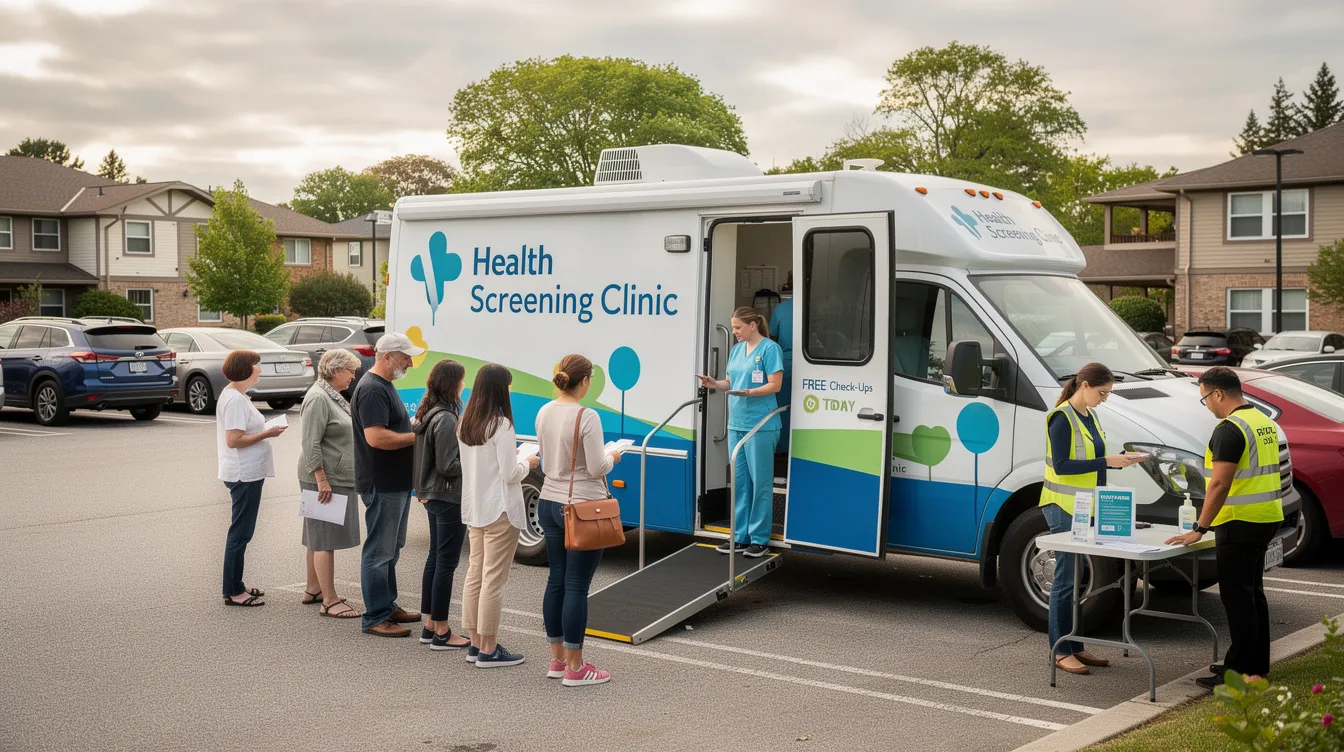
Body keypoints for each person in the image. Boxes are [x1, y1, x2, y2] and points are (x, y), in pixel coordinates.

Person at [1166, 366, 1284, 689]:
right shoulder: (1263, 422)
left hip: (1239, 523)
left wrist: (1199, 528)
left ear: (1218, 393)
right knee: (1253, 595)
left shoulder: (1229, 429)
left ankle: (1240, 672)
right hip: (1266, 518)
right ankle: (1256, 665)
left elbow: (1219, 484)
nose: (1206, 405)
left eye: (1204, 398)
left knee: (1237, 598)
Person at [1040, 362, 1142, 676]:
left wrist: (1118, 463)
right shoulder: (1061, 418)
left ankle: (1076, 645)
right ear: (1084, 386)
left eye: (1108, 394)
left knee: (1078, 576)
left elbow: (1091, 464)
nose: (1104, 399)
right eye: (1102, 392)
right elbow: (1062, 466)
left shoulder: (1091, 416)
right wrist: (1106, 460)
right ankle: (1060, 651)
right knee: (1066, 578)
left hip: (1085, 507)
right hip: (1062, 506)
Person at [535, 354, 623, 687]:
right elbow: (597, 466)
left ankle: (558, 660)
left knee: (556, 581)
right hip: (581, 507)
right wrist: (613, 455)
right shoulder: (587, 416)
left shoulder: (545, 410)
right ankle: (576, 667)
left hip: (549, 500)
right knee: (576, 586)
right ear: (584, 382)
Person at [458, 363, 537, 668]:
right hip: (500, 509)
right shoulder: (501, 425)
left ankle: (476, 644)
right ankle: (489, 650)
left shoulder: (465, 423)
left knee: (474, 575)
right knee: (493, 579)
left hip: (475, 508)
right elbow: (510, 473)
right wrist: (528, 461)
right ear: (500, 390)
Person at [352, 332, 426, 637]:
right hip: (382, 481)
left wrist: (412, 426)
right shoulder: (372, 389)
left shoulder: (384, 386)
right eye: (405, 356)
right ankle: (375, 616)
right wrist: (417, 437)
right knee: (379, 551)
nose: (410, 362)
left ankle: (387, 604)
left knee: (391, 549)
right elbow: (376, 437)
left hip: (393, 481)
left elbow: (389, 428)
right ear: (387, 357)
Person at [697, 306, 784, 558]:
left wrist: (749, 393)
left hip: (760, 425)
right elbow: (731, 382)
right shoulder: (736, 350)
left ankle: (759, 538)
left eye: (737, 327)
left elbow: (775, 384)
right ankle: (739, 536)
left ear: (753, 325)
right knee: (740, 483)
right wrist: (715, 384)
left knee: (760, 483)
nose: (734, 331)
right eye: (733, 327)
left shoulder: (770, 349)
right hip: (736, 424)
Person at [216, 349, 287, 607]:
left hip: (247, 472)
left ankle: (236, 584)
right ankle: (234, 591)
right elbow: (233, 440)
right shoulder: (235, 399)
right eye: (257, 365)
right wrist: (266, 434)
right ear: (245, 369)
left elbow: (243, 428)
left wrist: (263, 427)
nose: (260, 369)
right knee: (240, 533)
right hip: (243, 474)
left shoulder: (238, 395)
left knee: (242, 531)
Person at [297, 349, 362, 619]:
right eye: (350, 371)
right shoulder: (318, 398)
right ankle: (330, 600)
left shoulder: (329, 394)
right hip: (324, 478)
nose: (353, 376)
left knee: (317, 535)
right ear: (335, 371)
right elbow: (310, 442)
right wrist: (322, 480)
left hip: (328, 475)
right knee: (325, 538)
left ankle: (314, 588)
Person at [412, 359, 472, 650]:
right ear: (452, 384)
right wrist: (473, 459)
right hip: (448, 495)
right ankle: (443, 632)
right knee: (446, 564)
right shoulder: (446, 418)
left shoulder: (428, 412)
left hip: (432, 494)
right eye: (461, 381)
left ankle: (429, 625)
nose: (464, 386)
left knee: (435, 560)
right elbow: (449, 465)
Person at [770, 296, 794, 454]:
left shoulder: (781, 308)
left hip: (786, 363)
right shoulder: (815, 306)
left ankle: (784, 448)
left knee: (783, 408)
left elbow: (773, 335)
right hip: (816, 364)